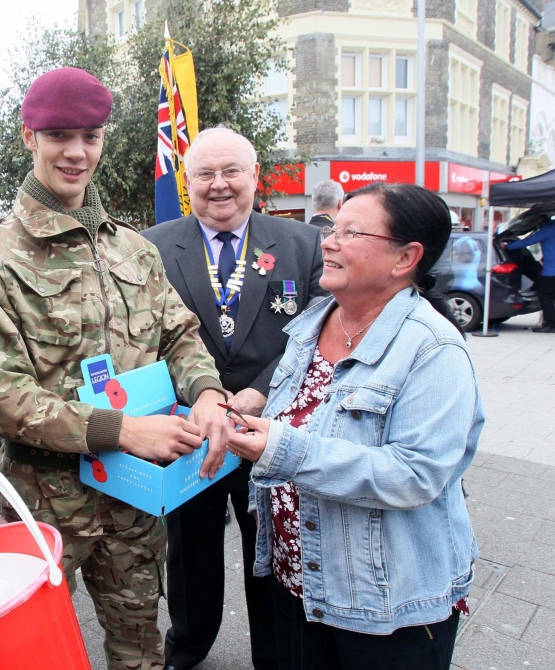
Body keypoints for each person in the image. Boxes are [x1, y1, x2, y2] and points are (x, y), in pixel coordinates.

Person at [0, 67, 232, 670]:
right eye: (60, 135)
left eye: (91, 135)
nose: (77, 152)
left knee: (140, 648)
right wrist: (124, 430)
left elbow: (179, 334)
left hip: (136, 500)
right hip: (44, 504)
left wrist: (209, 393)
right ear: (29, 136)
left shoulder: (133, 249)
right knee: (28, 654)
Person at [227, 182, 483, 670]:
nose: (327, 241)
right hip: (297, 585)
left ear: (405, 257)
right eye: (332, 227)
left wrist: (281, 447)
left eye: (351, 231)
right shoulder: (312, 323)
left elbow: (414, 474)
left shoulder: (433, 350)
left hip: (382, 608)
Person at [142, 127, 325, 670]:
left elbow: (316, 331)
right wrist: (196, 395)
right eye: (205, 174)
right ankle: (189, 646)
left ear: (254, 176)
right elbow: (146, 336)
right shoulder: (151, 246)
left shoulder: (300, 244)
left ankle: (275, 655)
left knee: (267, 552)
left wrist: (261, 391)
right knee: (190, 552)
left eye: (231, 172)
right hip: (189, 428)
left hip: (267, 428)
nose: (219, 186)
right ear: (187, 182)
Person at [505, 216, 555, 333]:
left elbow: (527, 242)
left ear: (542, 223)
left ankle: (551, 325)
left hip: (553, 270)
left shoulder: (547, 230)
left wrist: (507, 246)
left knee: (546, 296)